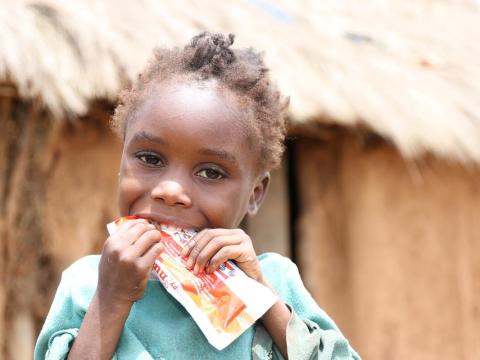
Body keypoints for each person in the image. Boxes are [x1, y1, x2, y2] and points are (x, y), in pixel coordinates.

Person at [34, 32, 360, 360]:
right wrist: (112, 298)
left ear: (255, 194)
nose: (170, 191)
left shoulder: (273, 281)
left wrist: (262, 298)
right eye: (150, 158)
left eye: (211, 173)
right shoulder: (89, 284)